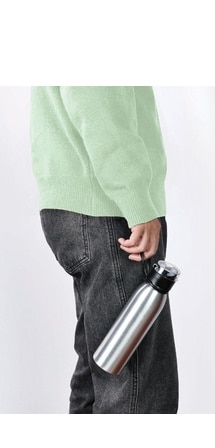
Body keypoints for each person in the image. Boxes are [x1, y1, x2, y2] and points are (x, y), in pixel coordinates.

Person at [30, 86, 179, 413]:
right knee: (136, 387)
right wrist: (136, 200)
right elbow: (97, 102)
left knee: (102, 369)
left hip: (81, 206)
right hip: (109, 211)